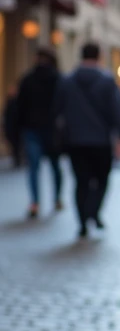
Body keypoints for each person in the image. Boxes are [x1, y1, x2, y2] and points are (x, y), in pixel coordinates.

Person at [54, 42, 120, 237]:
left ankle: (83, 222)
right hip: (101, 141)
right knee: (102, 179)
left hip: (75, 140)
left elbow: (57, 110)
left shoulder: (67, 81)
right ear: (99, 56)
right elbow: (117, 110)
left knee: (81, 182)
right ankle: (93, 212)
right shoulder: (107, 80)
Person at [17, 48, 63, 218]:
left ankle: (35, 202)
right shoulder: (58, 79)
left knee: (34, 167)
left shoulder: (28, 79)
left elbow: (19, 107)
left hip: (32, 128)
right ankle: (57, 198)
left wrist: (17, 130)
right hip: (51, 129)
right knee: (55, 166)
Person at [2, 84, 22, 168]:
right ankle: (17, 158)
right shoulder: (10, 102)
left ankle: (18, 159)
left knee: (17, 144)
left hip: (17, 127)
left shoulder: (18, 102)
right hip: (12, 127)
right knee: (14, 144)